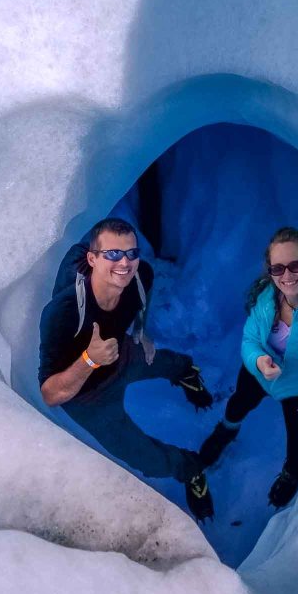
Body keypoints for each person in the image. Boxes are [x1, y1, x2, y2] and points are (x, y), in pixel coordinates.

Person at [38, 217, 215, 521]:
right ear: (92, 259)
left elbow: (142, 292)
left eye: (131, 253)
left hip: (121, 355)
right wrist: (90, 359)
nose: (124, 264)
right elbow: (50, 394)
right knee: (147, 459)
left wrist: (140, 331)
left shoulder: (138, 275)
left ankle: (186, 373)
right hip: (90, 400)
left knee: (159, 360)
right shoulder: (63, 313)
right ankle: (191, 470)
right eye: (113, 254)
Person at [200, 227, 298, 508]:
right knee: (238, 403)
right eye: (277, 269)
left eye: (295, 265)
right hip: (262, 373)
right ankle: (227, 429)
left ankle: (292, 473)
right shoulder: (267, 297)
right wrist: (258, 360)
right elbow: (250, 338)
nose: (286, 276)